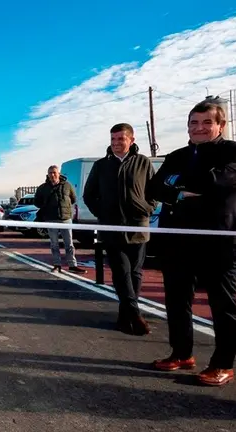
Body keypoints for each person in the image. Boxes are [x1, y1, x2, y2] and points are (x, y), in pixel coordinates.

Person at [147, 101, 236, 386]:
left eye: (207, 122)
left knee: (223, 305)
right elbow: (154, 187)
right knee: (177, 301)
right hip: (178, 241)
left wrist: (176, 184)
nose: (199, 128)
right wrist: (181, 193)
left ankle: (223, 365)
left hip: (218, 242)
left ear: (221, 125)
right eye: (194, 123)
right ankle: (181, 353)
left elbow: (217, 183)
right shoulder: (176, 155)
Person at [83, 123, 155, 336]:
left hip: (139, 227)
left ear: (131, 140)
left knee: (135, 273)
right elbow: (89, 195)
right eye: (113, 140)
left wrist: (147, 209)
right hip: (112, 229)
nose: (115, 144)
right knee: (121, 272)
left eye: (120, 139)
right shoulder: (101, 166)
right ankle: (135, 314)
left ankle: (124, 318)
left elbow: (154, 191)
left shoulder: (143, 163)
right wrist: (103, 214)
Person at [34, 165, 86, 274]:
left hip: (65, 219)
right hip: (50, 219)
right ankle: (57, 264)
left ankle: (72, 265)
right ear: (48, 175)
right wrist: (45, 206)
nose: (52, 175)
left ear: (58, 173)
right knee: (54, 244)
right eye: (50, 173)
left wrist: (64, 208)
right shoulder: (43, 188)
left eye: (54, 172)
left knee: (69, 243)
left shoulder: (67, 185)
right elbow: (36, 202)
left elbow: (73, 199)